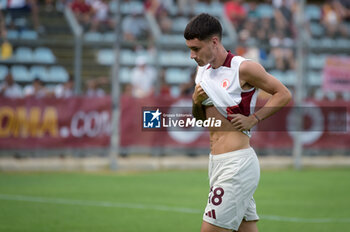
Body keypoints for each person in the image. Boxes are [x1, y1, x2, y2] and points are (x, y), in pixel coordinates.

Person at [184, 14, 292, 232]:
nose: (191, 55)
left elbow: (283, 93)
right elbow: (200, 118)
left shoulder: (242, 68)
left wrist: (254, 118)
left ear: (214, 42)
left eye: (196, 49)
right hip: (216, 163)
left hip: (237, 165)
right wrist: (195, 101)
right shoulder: (202, 70)